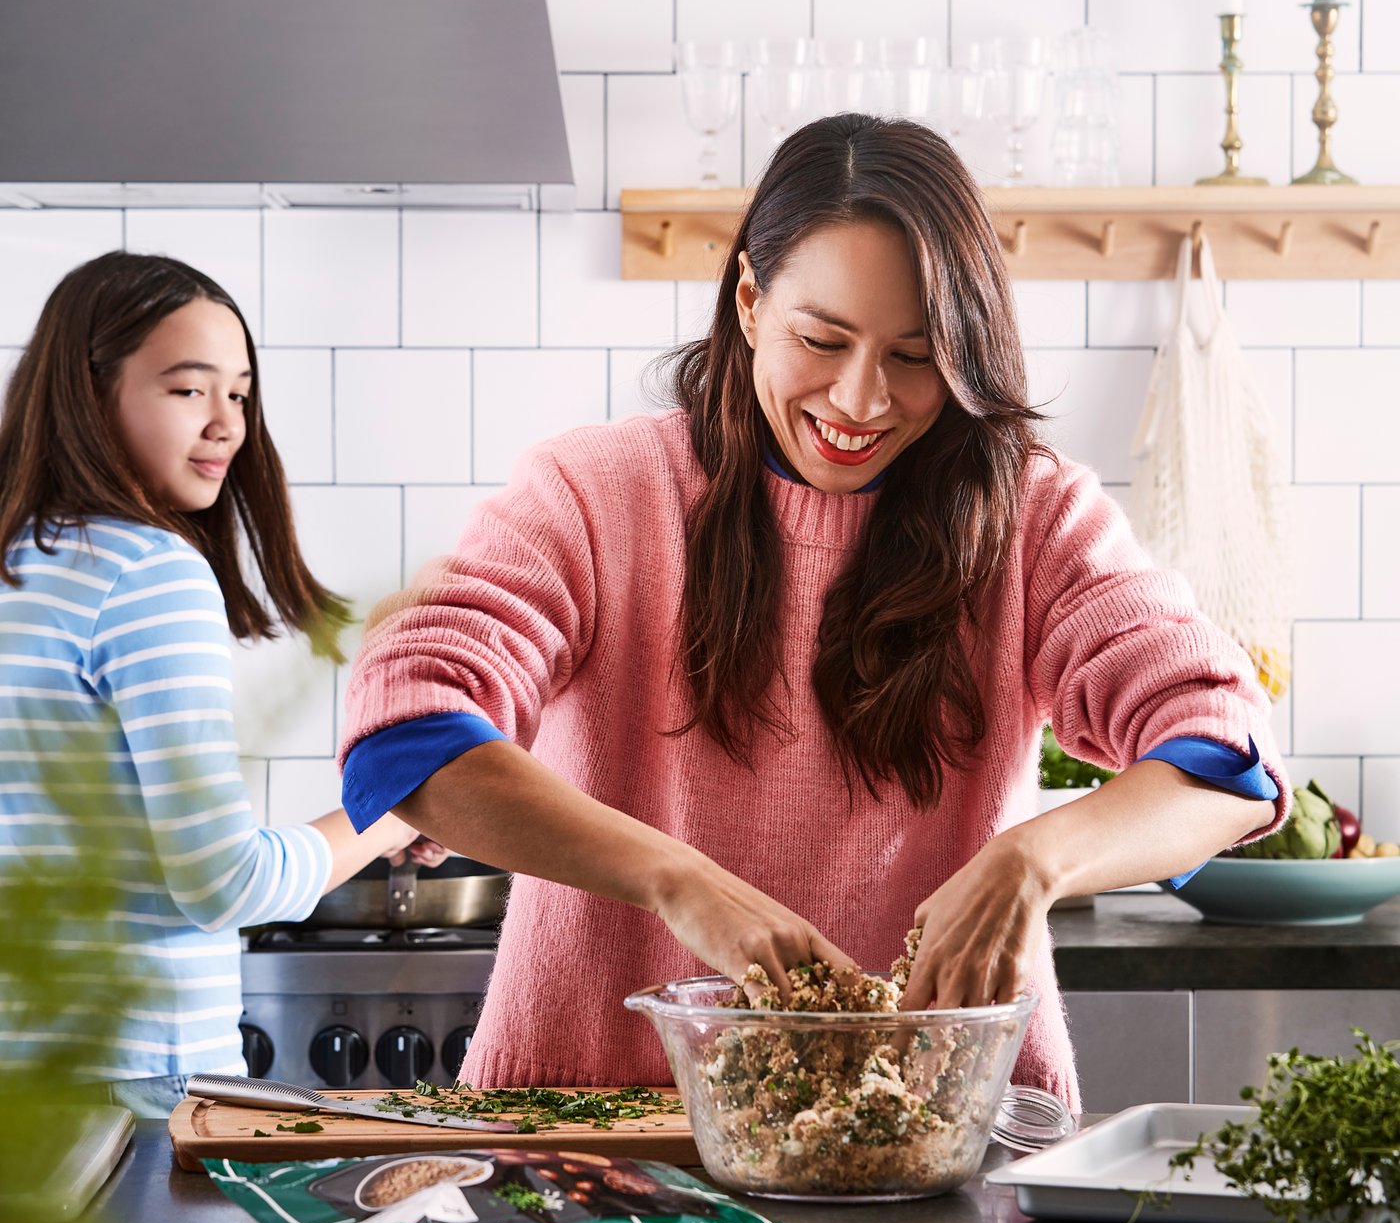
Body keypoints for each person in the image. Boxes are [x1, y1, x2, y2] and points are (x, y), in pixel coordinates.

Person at [339, 115, 1287, 1108]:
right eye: (820, 339)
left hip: (937, 1123)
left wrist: (1032, 861)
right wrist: (681, 884)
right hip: (601, 1120)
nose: (861, 398)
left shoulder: (1036, 519)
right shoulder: (594, 494)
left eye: (915, 356)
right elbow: (401, 733)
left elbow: (1223, 760)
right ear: (749, 300)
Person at [0, 251, 438, 1117]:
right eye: (188, 389)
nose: (226, 425)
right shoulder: (147, 573)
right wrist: (397, 807)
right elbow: (223, 882)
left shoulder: (22, 563)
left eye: (238, 393)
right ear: (93, 391)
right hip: (133, 1073)